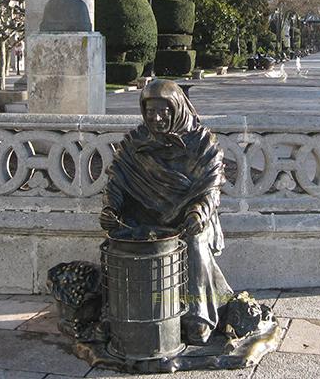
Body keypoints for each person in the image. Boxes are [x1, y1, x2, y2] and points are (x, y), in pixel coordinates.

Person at [99, 79, 232, 345]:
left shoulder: (202, 143)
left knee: (194, 243)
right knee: (118, 242)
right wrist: (111, 208)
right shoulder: (135, 142)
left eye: (163, 112)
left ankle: (199, 317)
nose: (156, 118)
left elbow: (211, 188)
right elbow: (117, 181)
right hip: (146, 217)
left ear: (177, 109)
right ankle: (115, 312)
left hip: (191, 219)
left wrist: (198, 213)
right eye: (150, 112)